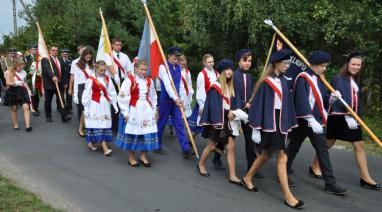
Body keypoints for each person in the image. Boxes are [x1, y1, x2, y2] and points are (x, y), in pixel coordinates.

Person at [241, 50, 304, 209]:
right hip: (269, 122)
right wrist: (255, 129)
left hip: (280, 121)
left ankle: (247, 177)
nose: (287, 66)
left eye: (289, 64)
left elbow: (287, 104)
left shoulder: (283, 81)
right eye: (285, 63)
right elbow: (257, 106)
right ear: (276, 63)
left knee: (267, 154)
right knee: (282, 157)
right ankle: (289, 197)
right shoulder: (266, 82)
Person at [310, 51, 381, 190]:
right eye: (353, 64)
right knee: (333, 143)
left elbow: (354, 100)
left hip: (351, 118)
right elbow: (340, 99)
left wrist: (355, 117)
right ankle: (315, 166)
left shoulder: (354, 78)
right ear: (347, 64)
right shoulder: (339, 78)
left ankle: (364, 177)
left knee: (349, 144)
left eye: (358, 65)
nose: (355, 67)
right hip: (340, 117)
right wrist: (349, 116)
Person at [286, 50, 348, 195]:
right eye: (323, 65)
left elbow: (321, 99)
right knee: (293, 147)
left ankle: (330, 183)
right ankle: (283, 172)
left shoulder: (319, 78)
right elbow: (301, 100)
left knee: (322, 150)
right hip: (303, 120)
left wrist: (331, 98)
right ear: (315, 65)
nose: (325, 68)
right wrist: (310, 118)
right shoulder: (303, 77)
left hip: (317, 122)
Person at [197, 59, 242, 185]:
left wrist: (237, 112)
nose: (229, 72)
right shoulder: (215, 86)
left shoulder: (231, 86)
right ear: (222, 71)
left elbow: (236, 101)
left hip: (229, 120)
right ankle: (200, 164)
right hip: (219, 120)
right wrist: (227, 113)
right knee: (212, 145)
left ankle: (233, 175)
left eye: (230, 69)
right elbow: (214, 106)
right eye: (226, 69)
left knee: (231, 147)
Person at [116, 60, 159, 167]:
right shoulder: (129, 80)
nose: (144, 72)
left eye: (145, 70)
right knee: (133, 132)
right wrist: (125, 112)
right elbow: (122, 97)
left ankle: (143, 155)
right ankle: (131, 156)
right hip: (134, 109)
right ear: (135, 69)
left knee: (147, 132)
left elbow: (153, 96)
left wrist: (154, 110)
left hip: (146, 109)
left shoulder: (149, 81)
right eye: (142, 69)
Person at [156, 46, 194, 159]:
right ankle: (156, 145)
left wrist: (181, 99)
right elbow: (168, 85)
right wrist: (175, 98)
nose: (176, 60)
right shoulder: (163, 68)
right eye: (174, 58)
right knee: (161, 123)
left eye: (178, 58)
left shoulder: (178, 68)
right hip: (166, 100)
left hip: (176, 101)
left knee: (179, 124)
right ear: (168, 56)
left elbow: (180, 85)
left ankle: (185, 149)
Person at [233, 49, 263, 178]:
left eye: (249, 61)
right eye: (245, 60)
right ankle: (217, 156)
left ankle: (251, 167)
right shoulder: (234, 75)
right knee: (229, 137)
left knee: (250, 139)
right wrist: (243, 104)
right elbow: (233, 93)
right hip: (236, 110)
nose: (247, 63)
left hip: (247, 111)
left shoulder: (250, 76)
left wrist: (252, 99)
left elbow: (250, 92)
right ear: (239, 61)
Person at [189, 54, 221, 167]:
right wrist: (202, 105)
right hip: (204, 104)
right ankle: (189, 142)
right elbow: (200, 90)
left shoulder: (217, 73)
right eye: (209, 62)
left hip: (214, 104)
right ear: (204, 63)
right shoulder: (201, 75)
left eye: (212, 61)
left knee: (210, 126)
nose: (211, 64)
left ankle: (213, 146)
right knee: (197, 127)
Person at [81, 60, 118, 156]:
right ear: (96, 69)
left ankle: (92, 142)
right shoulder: (91, 79)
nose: (103, 72)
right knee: (96, 123)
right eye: (101, 70)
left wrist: (114, 104)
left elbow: (112, 92)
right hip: (94, 104)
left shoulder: (107, 79)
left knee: (104, 123)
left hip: (104, 104)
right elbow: (87, 94)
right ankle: (105, 147)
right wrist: (86, 107)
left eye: (104, 70)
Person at [41, 45, 71, 123]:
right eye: (53, 50)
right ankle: (48, 116)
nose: (55, 51)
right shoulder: (45, 59)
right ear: (50, 51)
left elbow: (63, 72)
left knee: (61, 99)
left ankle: (64, 116)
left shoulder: (60, 59)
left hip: (59, 83)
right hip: (49, 84)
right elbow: (47, 69)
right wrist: (53, 76)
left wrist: (65, 82)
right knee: (48, 100)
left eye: (56, 50)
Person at [3, 59, 32, 131]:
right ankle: (15, 124)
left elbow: (24, 82)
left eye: (23, 67)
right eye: (20, 67)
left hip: (22, 91)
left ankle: (28, 125)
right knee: (14, 108)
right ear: (16, 65)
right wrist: (15, 83)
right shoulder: (10, 72)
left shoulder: (24, 72)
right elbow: (7, 83)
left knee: (26, 107)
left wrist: (28, 90)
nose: (22, 69)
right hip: (13, 91)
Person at [72, 48, 95, 137]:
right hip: (81, 88)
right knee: (83, 109)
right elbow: (76, 80)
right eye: (87, 55)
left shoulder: (92, 65)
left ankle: (87, 127)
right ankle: (82, 129)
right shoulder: (77, 65)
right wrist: (76, 94)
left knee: (89, 109)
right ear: (83, 55)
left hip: (91, 88)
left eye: (90, 55)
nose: (88, 57)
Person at [25, 44, 43, 116]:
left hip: (38, 78)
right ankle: (33, 108)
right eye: (33, 49)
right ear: (30, 50)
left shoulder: (39, 57)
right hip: (30, 79)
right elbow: (25, 68)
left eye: (35, 49)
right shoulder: (26, 58)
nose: (34, 50)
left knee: (38, 93)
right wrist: (31, 72)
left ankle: (36, 107)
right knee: (32, 94)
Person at [61, 48, 73, 114]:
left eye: (66, 54)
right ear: (62, 54)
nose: (65, 55)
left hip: (69, 80)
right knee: (61, 95)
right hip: (61, 80)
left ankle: (69, 108)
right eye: (64, 53)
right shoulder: (59, 61)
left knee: (69, 95)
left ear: (68, 54)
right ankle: (61, 107)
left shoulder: (71, 61)